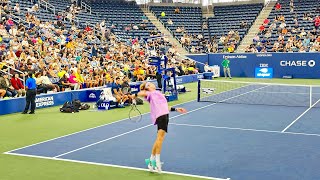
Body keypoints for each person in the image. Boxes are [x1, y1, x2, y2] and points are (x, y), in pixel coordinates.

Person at [133, 82, 187, 173]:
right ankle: (157, 162)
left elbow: (164, 106)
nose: (153, 84)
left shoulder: (157, 93)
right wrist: (134, 95)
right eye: (151, 84)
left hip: (165, 115)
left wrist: (176, 109)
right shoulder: (150, 93)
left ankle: (151, 161)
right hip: (161, 116)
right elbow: (142, 93)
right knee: (160, 139)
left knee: (158, 139)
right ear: (148, 87)